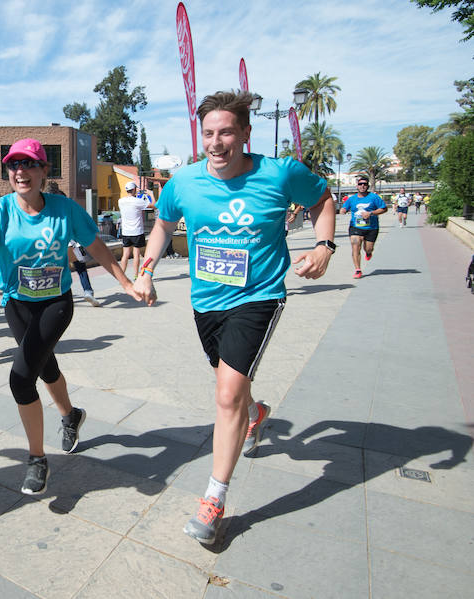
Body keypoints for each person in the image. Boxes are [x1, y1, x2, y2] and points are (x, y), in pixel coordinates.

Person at [133, 91, 335, 545]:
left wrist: (324, 246)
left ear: (245, 132)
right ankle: (256, 412)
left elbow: (323, 200)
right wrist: (146, 271)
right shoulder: (184, 181)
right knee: (233, 386)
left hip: (259, 295)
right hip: (205, 301)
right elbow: (163, 224)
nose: (216, 142)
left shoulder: (280, 173)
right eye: (208, 133)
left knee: (226, 396)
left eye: (226, 132)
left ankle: (213, 499)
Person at [0, 138, 141, 494]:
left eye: (29, 164)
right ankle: (71, 415)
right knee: (44, 366)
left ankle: (37, 460)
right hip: (16, 303)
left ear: (44, 170)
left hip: (55, 302)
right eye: (14, 165)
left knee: (20, 379)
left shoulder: (64, 209)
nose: (21, 172)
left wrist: (125, 283)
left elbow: (94, 245)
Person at [48, 182, 100, 307]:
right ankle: (88, 291)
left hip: (58, 243)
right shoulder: (65, 200)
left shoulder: (48, 204)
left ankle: (54, 294)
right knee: (80, 267)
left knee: (56, 268)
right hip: (71, 240)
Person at [339, 176, 386, 279]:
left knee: (368, 248)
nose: (362, 186)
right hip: (355, 226)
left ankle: (368, 253)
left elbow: (384, 209)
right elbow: (344, 208)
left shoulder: (374, 197)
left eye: (364, 184)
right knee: (355, 245)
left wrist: (371, 213)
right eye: (360, 184)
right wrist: (343, 210)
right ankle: (358, 269)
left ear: (368, 186)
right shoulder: (352, 199)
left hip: (371, 227)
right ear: (357, 186)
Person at [118, 181, 155, 279]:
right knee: (136, 254)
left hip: (126, 231)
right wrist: (151, 194)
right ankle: (135, 275)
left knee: (125, 254)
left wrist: (135, 192)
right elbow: (154, 205)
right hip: (137, 231)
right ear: (134, 189)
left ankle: (122, 275)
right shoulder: (138, 201)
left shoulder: (120, 201)